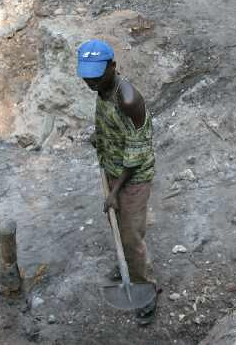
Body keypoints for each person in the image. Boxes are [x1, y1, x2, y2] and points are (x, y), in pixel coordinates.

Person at [77, 39, 156, 324]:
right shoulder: (102, 87)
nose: (91, 82)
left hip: (132, 177)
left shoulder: (129, 99)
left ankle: (145, 287)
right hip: (113, 167)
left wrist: (115, 192)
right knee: (119, 225)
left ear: (113, 66)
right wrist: (100, 138)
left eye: (97, 75)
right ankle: (127, 266)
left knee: (132, 235)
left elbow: (136, 153)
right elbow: (113, 125)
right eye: (87, 76)